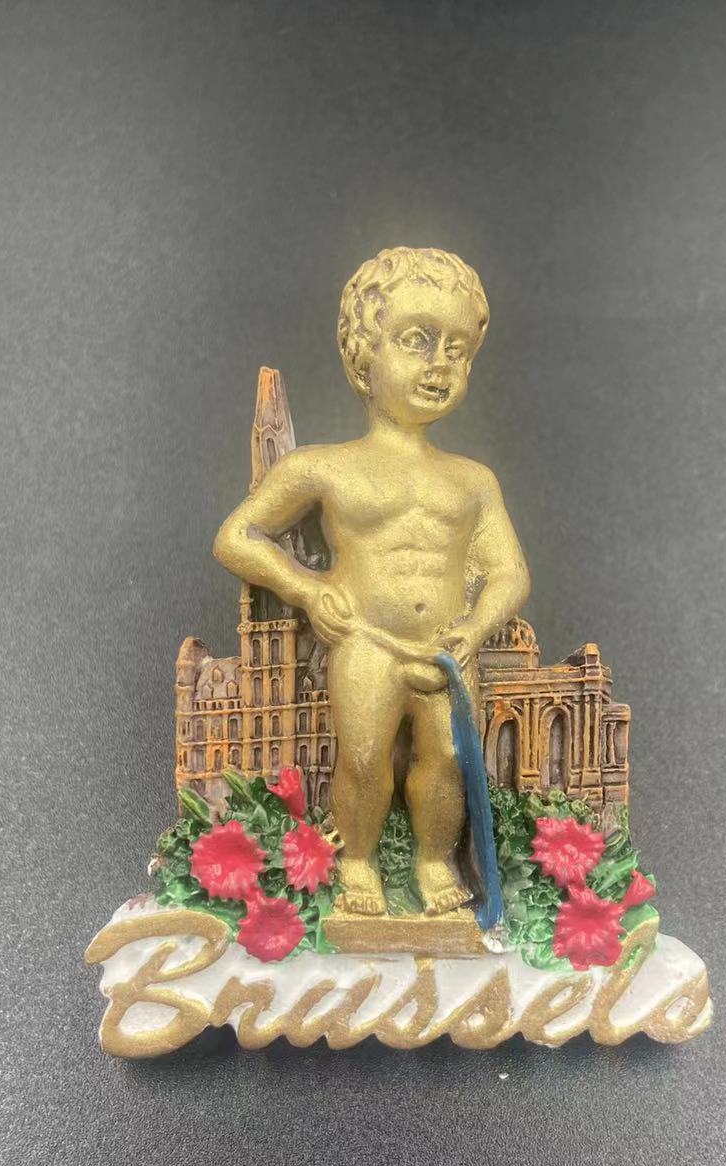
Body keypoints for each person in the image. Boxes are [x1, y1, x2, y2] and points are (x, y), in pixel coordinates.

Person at [213, 247, 530, 916]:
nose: (439, 363)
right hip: (365, 640)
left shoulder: (473, 481)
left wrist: (476, 626)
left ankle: (435, 860)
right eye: (418, 340)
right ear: (364, 356)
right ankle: (357, 862)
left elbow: (510, 571)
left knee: (448, 759)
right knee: (362, 756)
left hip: (448, 649)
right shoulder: (324, 468)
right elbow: (237, 535)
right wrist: (305, 589)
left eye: (457, 350)